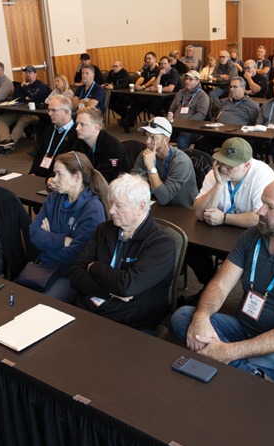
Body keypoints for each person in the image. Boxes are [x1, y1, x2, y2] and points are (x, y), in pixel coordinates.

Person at [172, 177, 274, 389]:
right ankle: (234, 372)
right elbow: (221, 284)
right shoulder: (254, 235)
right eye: (262, 203)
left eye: (271, 207)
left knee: (240, 368)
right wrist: (202, 316)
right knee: (184, 317)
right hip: (247, 328)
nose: (260, 211)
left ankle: (230, 370)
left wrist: (228, 351)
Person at [71, 173, 175, 331]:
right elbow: (76, 275)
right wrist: (109, 290)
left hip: (129, 323)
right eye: (111, 203)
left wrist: (94, 267)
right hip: (88, 309)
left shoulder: (161, 243)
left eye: (119, 206)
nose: (111, 211)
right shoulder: (104, 229)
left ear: (140, 206)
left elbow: (127, 286)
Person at [187, 137, 274, 288]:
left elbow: (260, 218)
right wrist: (219, 185)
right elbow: (199, 213)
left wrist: (224, 218)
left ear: (246, 165)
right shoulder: (217, 172)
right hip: (220, 234)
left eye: (230, 166)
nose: (223, 168)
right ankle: (209, 285)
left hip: (252, 235)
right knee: (190, 245)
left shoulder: (262, 175)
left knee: (250, 259)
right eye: (222, 162)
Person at [29, 152, 107, 302]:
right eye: (54, 174)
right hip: (44, 268)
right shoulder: (53, 197)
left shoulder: (92, 209)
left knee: (40, 305)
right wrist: (63, 240)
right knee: (18, 297)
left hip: (69, 275)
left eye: (59, 174)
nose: (54, 180)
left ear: (77, 176)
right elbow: (34, 232)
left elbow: (77, 255)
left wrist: (47, 242)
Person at [132, 117, 198, 208]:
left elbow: (164, 198)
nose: (147, 142)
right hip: (155, 205)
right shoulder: (145, 155)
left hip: (181, 211)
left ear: (166, 140)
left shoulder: (181, 162)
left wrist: (151, 167)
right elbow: (134, 186)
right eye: (146, 136)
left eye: (153, 137)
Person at [190, 76, 259, 154]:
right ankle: (207, 165)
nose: (231, 89)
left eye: (235, 87)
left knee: (233, 149)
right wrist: (224, 86)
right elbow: (213, 95)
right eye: (230, 86)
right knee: (201, 144)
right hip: (219, 133)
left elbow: (255, 124)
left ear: (243, 88)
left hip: (236, 136)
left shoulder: (252, 105)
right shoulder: (225, 101)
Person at [0, 65, 50, 153]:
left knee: (22, 121)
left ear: (35, 74)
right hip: (19, 110)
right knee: (1, 119)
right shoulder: (22, 85)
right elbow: (15, 96)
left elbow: (34, 96)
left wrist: (25, 89)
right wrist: (27, 98)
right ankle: (6, 141)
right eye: (26, 73)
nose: (27, 75)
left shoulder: (40, 85)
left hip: (34, 113)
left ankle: (9, 144)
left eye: (30, 73)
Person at [73, 107, 131, 183]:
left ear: (96, 127)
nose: (77, 128)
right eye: (77, 124)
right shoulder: (79, 142)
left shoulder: (112, 147)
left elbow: (108, 180)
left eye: (82, 124)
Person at [30, 95, 78, 178]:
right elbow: (39, 153)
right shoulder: (49, 130)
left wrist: (52, 179)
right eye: (49, 110)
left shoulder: (77, 133)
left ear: (66, 112)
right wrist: (33, 172)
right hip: (40, 174)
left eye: (53, 110)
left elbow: (71, 165)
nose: (49, 114)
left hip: (59, 178)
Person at [169, 70, 211, 149]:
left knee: (182, 138)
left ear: (197, 81)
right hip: (176, 125)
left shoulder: (202, 95)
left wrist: (185, 124)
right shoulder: (180, 93)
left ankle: (184, 160)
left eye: (190, 79)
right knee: (159, 133)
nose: (187, 81)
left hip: (193, 128)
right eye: (186, 79)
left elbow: (201, 115)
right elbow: (171, 109)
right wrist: (170, 116)